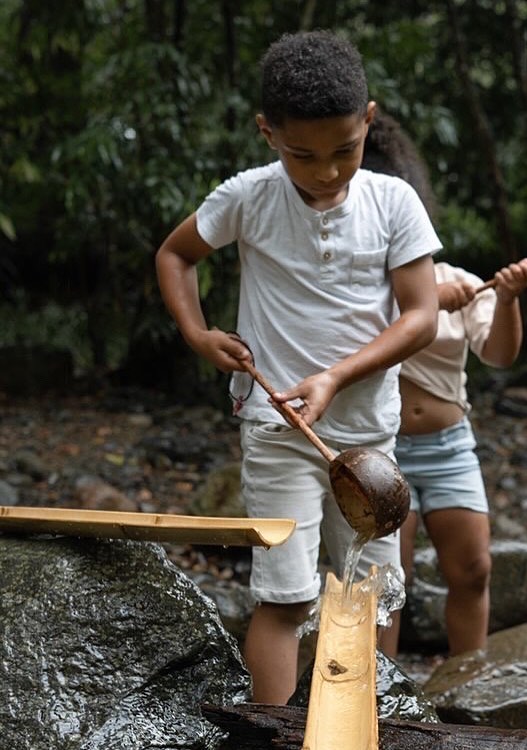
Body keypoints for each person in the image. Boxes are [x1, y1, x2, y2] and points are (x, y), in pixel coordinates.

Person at [155, 31, 441, 704]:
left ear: (368, 120)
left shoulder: (393, 203)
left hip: (368, 435)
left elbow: (422, 315)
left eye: (345, 149)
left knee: (367, 595)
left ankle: (358, 728)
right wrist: (199, 334)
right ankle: (274, 734)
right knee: (284, 597)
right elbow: (176, 255)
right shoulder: (247, 198)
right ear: (267, 133)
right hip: (278, 428)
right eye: (301, 154)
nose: (326, 171)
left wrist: (337, 376)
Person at [362, 112, 527, 657]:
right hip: (382, 446)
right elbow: (364, 332)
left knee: (475, 569)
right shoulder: (359, 288)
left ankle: (471, 681)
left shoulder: (460, 281)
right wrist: (429, 303)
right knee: (388, 581)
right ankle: (380, 697)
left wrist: (505, 299)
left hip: (448, 446)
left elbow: (500, 355)